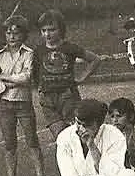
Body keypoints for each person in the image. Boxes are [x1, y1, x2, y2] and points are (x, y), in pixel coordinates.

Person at [32, 99, 135, 176]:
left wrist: (91, 145)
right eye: (78, 123)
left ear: (99, 124)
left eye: (86, 125)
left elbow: (112, 174)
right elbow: (68, 174)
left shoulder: (114, 135)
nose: (81, 129)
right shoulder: (65, 137)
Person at [0, 14, 44, 176]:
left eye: (16, 33)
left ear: (23, 35)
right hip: (5, 104)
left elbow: (27, 77)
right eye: (8, 32)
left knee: (32, 140)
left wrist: (7, 79)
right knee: (9, 144)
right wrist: (11, 82)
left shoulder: (28, 53)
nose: (12, 36)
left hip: (23, 102)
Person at [33, 9, 101, 139]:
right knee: (61, 138)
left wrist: (82, 77)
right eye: (44, 30)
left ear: (61, 30)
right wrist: (40, 89)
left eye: (52, 30)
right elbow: (35, 72)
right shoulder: (38, 51)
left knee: (76, 135)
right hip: (48, 99)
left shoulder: (70, 47)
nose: (47, 34)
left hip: (68, 97)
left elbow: (95, 59)